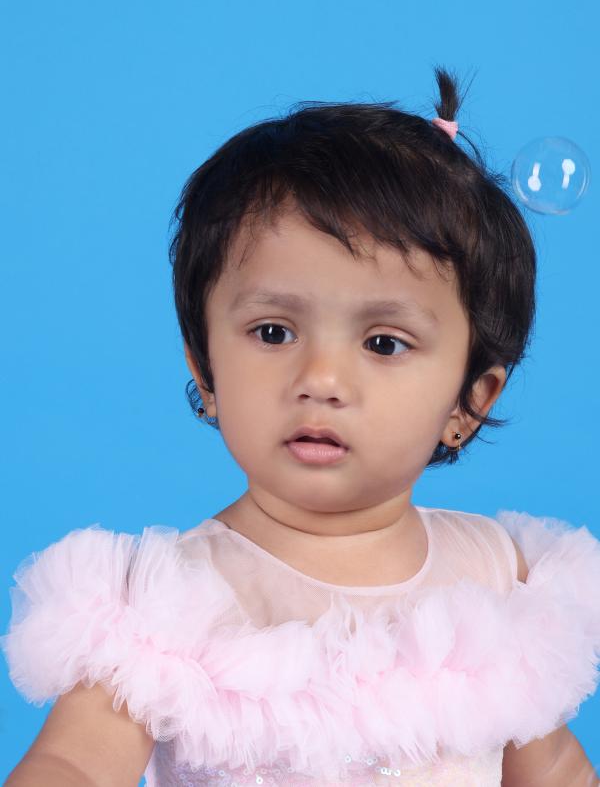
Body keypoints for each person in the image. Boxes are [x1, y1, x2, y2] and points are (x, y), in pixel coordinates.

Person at [2, 66, 599, 787]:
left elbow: (555, 769)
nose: (320, 378)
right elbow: (73, 764)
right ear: (206, 370)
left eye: (384, 343)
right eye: (274, 332)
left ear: (468, 404)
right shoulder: (169, 600)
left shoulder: (497, 579)